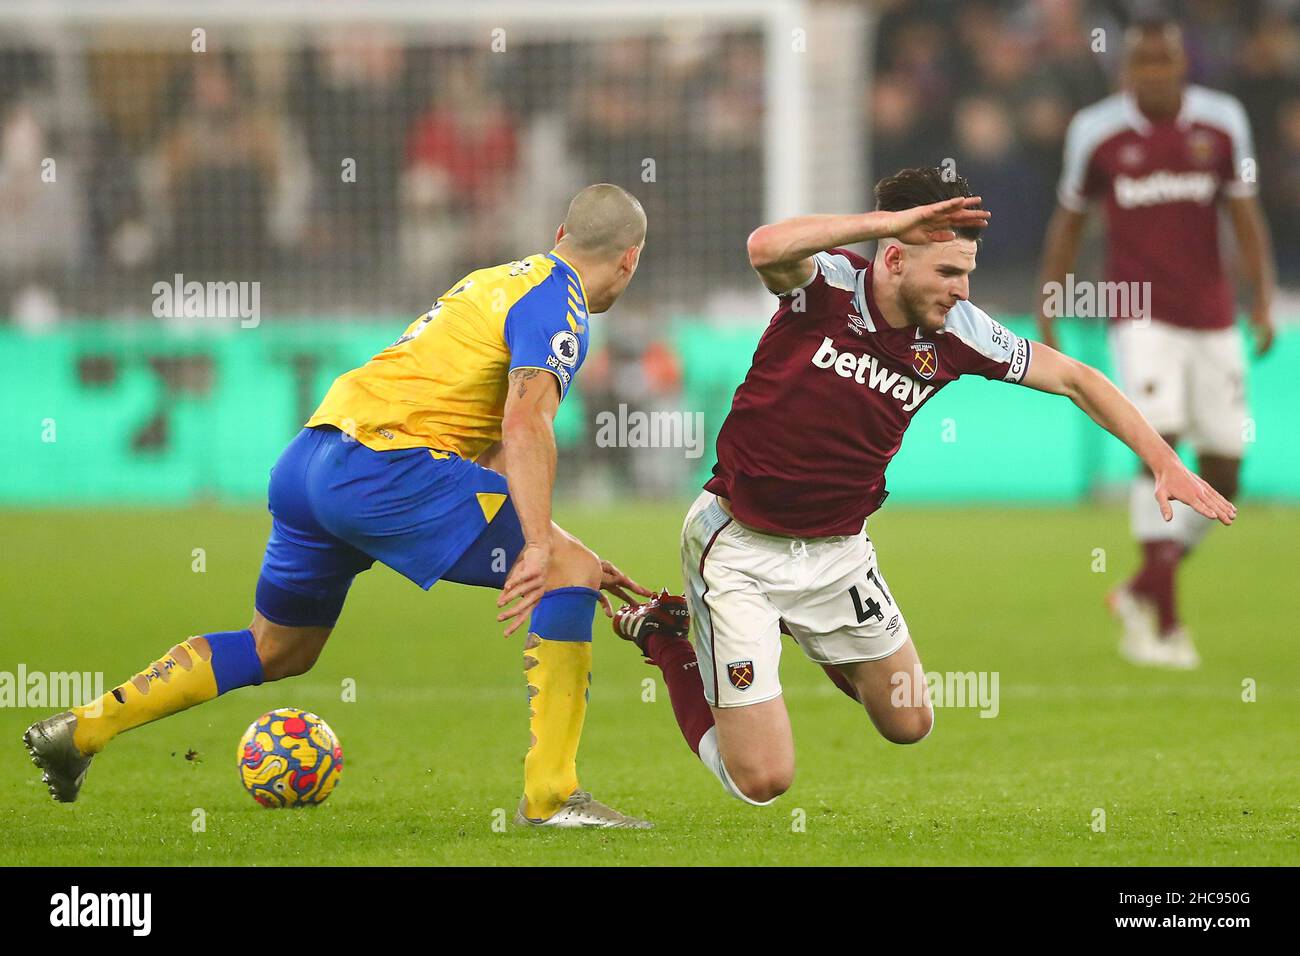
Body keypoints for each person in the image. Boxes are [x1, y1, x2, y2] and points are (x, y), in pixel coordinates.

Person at [25, 184, 658, 829]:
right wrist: (551, 553)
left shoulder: (494, 281)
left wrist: (547, 539)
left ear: (559, 235)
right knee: (571, 572)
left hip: (310, 460)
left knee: (277, 650)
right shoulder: (561, 305)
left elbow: (493, 446)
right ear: (629, 260)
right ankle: (551, 798)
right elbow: (527, 424)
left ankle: (80, 731)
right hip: (385, 470)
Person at [613, 166, 1234, 807]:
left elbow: (1075, 378)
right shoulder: (822, 285)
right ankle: (663, 636)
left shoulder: (958, 331)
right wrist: (885, 220)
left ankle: (800, 628)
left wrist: (1163, 461)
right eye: (947, 272)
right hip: (740, 546)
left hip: (837, 553)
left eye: (966, 272)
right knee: (763, 781)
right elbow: (763, 246)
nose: (961, 290)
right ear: (893, 256)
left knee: (909, 722)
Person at [1036, 18, 1276, 668]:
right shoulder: (1097, 131)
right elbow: (1070, 220)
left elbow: (1243, 211)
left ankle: (1141, 589)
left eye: (1164, 62)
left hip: (1213, 315)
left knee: (1226, 470)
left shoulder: (1223, 123)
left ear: (1182, 65)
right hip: (1138, 315)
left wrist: (1262, 296)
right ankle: (1166, 626)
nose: (1154, 74)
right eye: (1142, 64)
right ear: (1127, 71)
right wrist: (1050, 301)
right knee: (1159, 446)